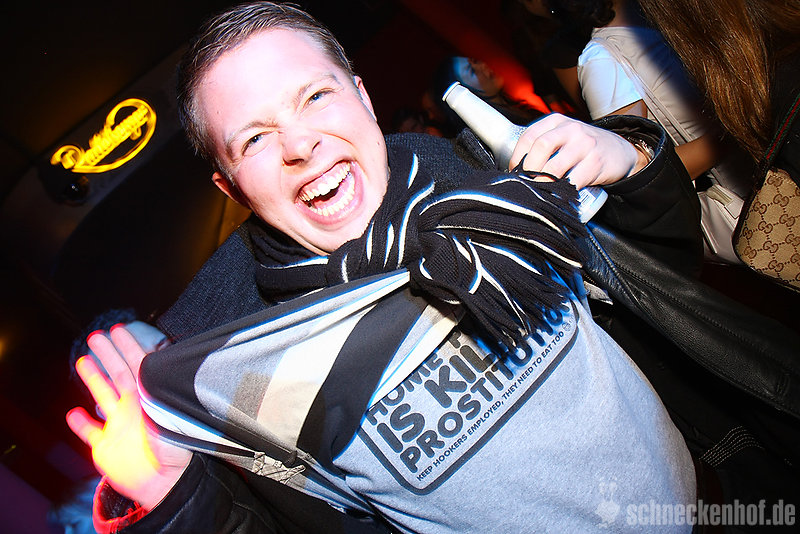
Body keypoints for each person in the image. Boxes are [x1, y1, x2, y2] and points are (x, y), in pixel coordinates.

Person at [64, 2, 798, 533]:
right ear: (231, 187)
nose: (300, 145)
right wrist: (180, 503)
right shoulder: (253, 366)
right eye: (255, 138)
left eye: (316, 95)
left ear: (361, 95)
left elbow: (662, 281)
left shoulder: (477, 172)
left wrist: (632, 164)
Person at [426, 55, 545, 135]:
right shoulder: (500, 133)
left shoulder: (518, 109)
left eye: (475, 61)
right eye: (472, 71)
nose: (482, 65)